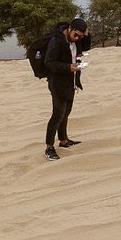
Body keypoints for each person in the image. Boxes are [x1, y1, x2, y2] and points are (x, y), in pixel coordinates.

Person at [42, 18, 89, 161]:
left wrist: (87, 35)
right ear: (70, 29)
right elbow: (49, 62)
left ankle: (63, 140)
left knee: (66, 112)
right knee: (57, 114)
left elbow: (85, 47)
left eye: (80, 36)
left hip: (71, 82)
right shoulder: (57, 41)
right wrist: (68, 67)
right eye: (76, 35)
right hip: (58, 83)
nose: (78, 38)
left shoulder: (77, 40)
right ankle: (49, 147)